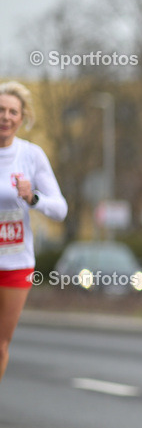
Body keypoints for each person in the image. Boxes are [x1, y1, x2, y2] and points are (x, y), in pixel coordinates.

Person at [0, 81, 67, 381]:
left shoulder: (32, 155)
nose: (5, 116)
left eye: (13, 111)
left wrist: (33, 198)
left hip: (16, 263)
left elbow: (60, 209)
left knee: (0, 345)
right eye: (1, 110)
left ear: (22, 117)